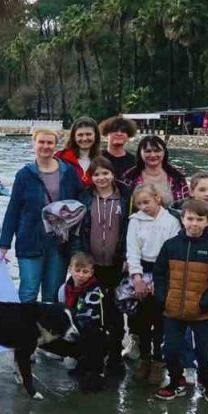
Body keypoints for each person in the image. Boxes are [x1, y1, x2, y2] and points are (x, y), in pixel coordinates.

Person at [153, 199, 208, 403]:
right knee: (170, 350)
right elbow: (159, 274)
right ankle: (175, 382)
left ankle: (207, 384)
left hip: (203, 312)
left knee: (205, 354)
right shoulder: (171, 245)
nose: (194, 224)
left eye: (199, 219)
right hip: (173, 310)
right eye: (190, 219)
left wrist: (205, 303)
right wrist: (163, 298)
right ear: (182, 219)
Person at [0, 129, 82, 305]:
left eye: (49, 142)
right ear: (33, 144)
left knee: (52, 295)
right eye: (41, 142)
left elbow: (79, 206)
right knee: (28, 292)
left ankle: (48, 332)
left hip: (59, 243)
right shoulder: (24, 175)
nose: (45, 146)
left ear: (55, 145)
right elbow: (13, 210)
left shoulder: (68, 173)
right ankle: (24, 331)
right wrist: (4, 244)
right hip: (30, 241)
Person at [73, 157, 130, 374]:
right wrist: (80, 258)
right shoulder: (85, 197)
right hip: (92, 264)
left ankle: (115, 356)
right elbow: (77, 229)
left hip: (116, 264)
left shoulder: (125, 197)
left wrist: (126, 256)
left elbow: (130, 228)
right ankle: (85, 356)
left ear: (112, 174)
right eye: (97, 174)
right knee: (87, 313)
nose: (101, 178)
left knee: (114, 313)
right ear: (90, 177)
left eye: (105, 173)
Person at [124, 183, 181, 385]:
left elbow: (173, 252)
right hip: (142, 270)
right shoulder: (135, 221)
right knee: (141, 320)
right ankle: (145, 359)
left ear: (157, 198)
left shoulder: (171, 221)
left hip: (163, 272)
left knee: (160, 322)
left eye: (146, 202)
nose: (143, 207)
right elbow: (132, 251)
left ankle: (158, 361)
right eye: (139, 204)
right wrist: (137, 278)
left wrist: (161, 280)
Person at [62, 253, 113, 391]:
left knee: (93, 338)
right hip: (77, 328)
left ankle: (97, 372)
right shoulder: (65, 288)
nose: (80, 275)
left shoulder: (96, 290)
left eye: (85, 272)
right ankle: (81, 362)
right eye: (77, 271)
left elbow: (96, 320)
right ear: (70, 269)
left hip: (96, 331)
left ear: (91, 272)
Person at [121, 135, 188, 206]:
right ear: (140, 153)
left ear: (164, 152)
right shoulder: (130, 177)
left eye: (157, 151)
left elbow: (186, 206)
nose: (153, 155)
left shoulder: (177, 177)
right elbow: (123, 206)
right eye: (148, 151)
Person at [56, 117, 101, 187]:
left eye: (89, 134)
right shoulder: (60, 157)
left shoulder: (103, 160)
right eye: (80, 135)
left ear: (96, 136)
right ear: (73, 137)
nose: (85, 138)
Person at [98, 116, 138, 180]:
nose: (119, 134)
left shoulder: (135, 161)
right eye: (114, 130)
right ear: (106, 134)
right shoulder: (97, 157)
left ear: (128, 136)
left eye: (123, 131)